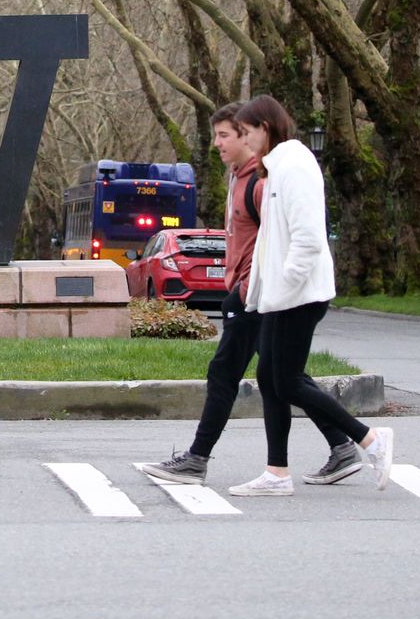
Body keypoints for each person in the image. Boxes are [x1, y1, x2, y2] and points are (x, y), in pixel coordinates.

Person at [141, 103, 363, 488]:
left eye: (226, 135)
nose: (219, 144)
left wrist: (254, 288)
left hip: (260, 295)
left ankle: (198, 458)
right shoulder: (242, 178)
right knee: (281, 377)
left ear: (249, 136)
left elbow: (286, 238)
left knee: (228, 373)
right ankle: (338, 446)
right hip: (253, 293)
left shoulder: (262, 183)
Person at [226, 94, 393, 497]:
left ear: (266, 128)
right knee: (270, 378)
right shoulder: (278, 167)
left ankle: (369, 439)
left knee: (287, 381)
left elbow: (308, 238)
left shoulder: (296, 165)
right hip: (281, 295)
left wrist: (284, 284)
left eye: (247, 132)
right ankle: (277, 472)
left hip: (298, 295)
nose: (245, 141)